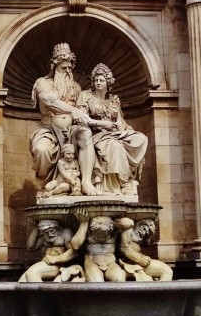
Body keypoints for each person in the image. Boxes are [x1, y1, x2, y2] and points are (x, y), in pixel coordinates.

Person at [30, 43, 97, 196]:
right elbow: (49, 100)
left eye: (70, 68)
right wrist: (72, 109)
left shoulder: (76, 87)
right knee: (41, 150)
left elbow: (82, 111)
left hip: (72, 130)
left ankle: (86, 182)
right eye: (63, 68)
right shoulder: (43, 83)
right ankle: (44, 182)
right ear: (54, 67)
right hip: (50, 130)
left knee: (86, 135)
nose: (67, 71)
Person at [76, 63, 148, 197]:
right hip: (96, 135)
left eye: (101, 80)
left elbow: (121, 122)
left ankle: (129, 179)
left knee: (141, 139)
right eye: (96, 80)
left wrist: (123, 129)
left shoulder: (113, 100)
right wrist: (104, 124)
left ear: (108, 82)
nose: (98, 83)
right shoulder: (85, 96)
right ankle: (123, 183)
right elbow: (81, 119)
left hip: (114, 133)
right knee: (116, 146)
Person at [69, 213, 125, 282]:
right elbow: (75, 245)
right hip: (92, 261)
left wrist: (117, 221)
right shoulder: (88, 231)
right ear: (92, 228)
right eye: (97, 232)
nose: (100, 235)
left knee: (120, 280)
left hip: (111, 262)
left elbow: (129, 223)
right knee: (97, 282)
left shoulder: (114, 231)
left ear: (110, 228)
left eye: (105, 231)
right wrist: (83, 224)